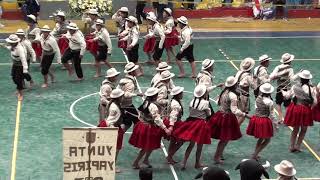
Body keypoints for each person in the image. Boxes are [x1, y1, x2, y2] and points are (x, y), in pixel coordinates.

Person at [210, 76, 251, 164]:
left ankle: (219, 155)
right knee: (224, 139)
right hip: (227, 117)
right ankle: (217, 157)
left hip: (220, 115)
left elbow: (218, 102)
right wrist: (246, 115)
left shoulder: (224, 91)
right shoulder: (233, 95)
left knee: (224, 138)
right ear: (235, 85)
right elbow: (234, 110)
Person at [129, 87, 170, 169]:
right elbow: (157, 118)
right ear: (154, 96)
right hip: (148, 127)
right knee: (146, 146)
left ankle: (145, 160)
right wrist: (165, 128)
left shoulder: (146, 102)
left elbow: (140, 112)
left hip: (144, 125)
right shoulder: (153, 106)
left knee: (151, 145)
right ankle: (136, 162)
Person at [173, 85, 212, 170]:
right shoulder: (205, 103)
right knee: (199, 145)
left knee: (191, 144)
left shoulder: (192, 101)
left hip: (191, 122)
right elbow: (208, 114)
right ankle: (197, 163)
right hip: (200, 124)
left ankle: (184, 162)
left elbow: (191, 111)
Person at [282, 70, 317, 152]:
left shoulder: (295, 87)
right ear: (308, 79)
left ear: (300, 78)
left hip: (296, 108)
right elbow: (314, 102)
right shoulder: (311, 88)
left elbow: (287, 97)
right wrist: (310, 108)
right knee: (304, 129)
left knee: (295, 128)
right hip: (305, 109)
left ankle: (291, 146)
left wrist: (284, 93)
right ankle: (298, 146)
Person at [97, 89, 125, 173]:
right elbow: (110, 121)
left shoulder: (112, 102)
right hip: (112, 127)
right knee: (115, 149)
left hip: (110, 125)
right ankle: (112, 165)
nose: (123, 97)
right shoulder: (115, 108)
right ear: (118, 97)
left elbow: (104, 100)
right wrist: (114, 132)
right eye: (121, 96)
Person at [247, 83, 277, 160]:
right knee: (267, 139)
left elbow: (256, 108)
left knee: (261, 138)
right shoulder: (269, 102)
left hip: (256, 118)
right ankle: (255, 154)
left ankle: (256, 153)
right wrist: (276, 124)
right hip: (264, 120)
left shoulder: (258, 98)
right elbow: (272, 114)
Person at [270, 53, 296, 122]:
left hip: (279, 88)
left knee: (278, 103)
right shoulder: (290, 69)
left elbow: (273, 76)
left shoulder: (278, 67)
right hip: (287, 88)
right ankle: (288, 119)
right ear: (289, 61)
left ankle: (280, 118)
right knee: (287, 105)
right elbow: (292, 79)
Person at [118, 62, 143, 131]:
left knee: (127, 122)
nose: (137, 70)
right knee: (137, 121)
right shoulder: (130, 83)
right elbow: (126, 94)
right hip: (126, 105)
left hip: (121, 104)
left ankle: (120, 134)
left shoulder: (123, 80)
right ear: (132, 72)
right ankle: (133, 136)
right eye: (135, 70)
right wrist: (137, 94)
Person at [164, 86, 184, 164]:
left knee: (173, 141)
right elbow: (173, 115)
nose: (182, 94)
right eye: (181, 93)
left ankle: (170, 156)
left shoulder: (174, 100)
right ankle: (169, 156)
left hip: (174, 122)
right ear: (178, 94)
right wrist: (171, 126)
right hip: (175, 123)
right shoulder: (175, 104)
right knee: (181, 141)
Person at [6, 34, 29, 100]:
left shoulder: (20, 49)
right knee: (13, 77)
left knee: (18, 79)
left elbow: (23, 59)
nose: (10, 43)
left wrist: (25, 69)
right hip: (15, 64)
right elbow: (9, 48)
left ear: (15, 42)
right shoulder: (12, 46)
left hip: (20, 65)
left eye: (11, 42)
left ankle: (21, 93)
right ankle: (19, 87)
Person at [235, 58, 256, 125]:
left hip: (236, 93)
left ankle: (234, 127)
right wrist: (255, 79)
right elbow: (254, 86)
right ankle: (236, 128)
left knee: (238, 112)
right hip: (243, 95)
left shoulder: (239, 72)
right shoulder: (248, 76)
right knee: (243, 113)